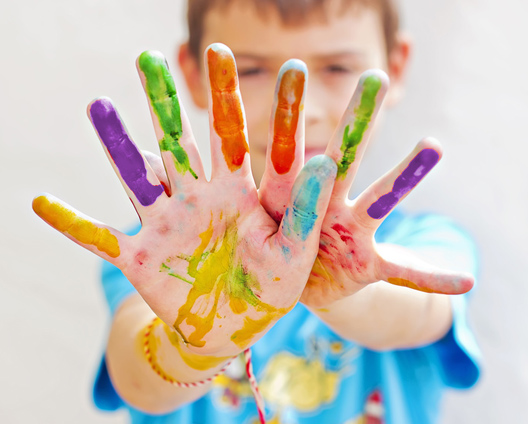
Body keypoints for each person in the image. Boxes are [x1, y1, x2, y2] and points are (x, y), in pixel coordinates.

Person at [33, 0, 480, 423]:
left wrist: (342, 288)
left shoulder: (424, 243)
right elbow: (138, 380)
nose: (299, 109)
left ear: (396, 65)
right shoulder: (161, 259)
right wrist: (196, 347)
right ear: (192, 73)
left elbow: (419, 311)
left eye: (338, 67)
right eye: (249, 70)